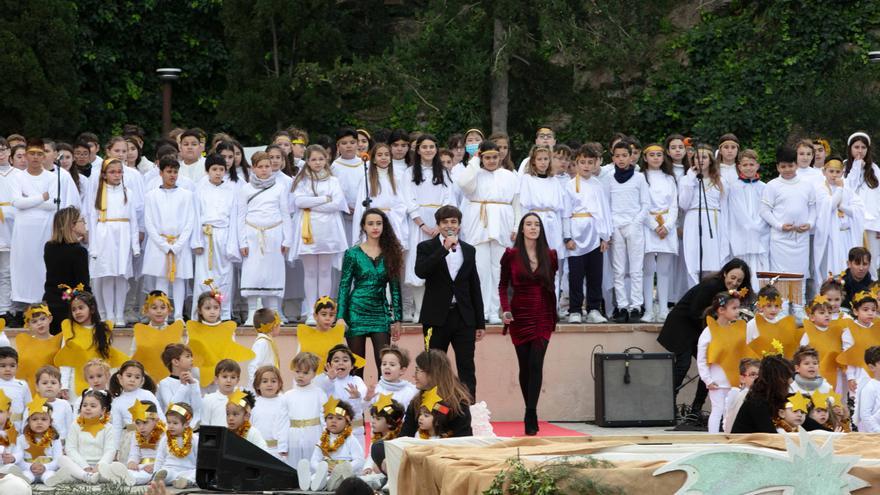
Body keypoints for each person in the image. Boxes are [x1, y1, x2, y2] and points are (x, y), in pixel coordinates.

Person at [658, 258, 752, 414]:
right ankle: (667, 404)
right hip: (682, 325)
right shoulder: (711, 286)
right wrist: (715, 329)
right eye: (732, 278)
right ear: (725, 274)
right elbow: (694, 311)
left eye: (739, 280)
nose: (735, 282)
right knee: (683, 363)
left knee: (710, 365)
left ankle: (696, 409)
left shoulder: (736, 294)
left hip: (700, 328)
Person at [414, 205, 485, 399]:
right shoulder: (426, 247)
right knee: (433, 366)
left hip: (463, 317)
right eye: (445, 222)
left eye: (453, 221)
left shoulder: (469, 250)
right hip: (436, 318)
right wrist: (443, 249)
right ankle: (431, 409)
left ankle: (468, 411)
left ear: (459, 225)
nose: (449, 225)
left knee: (466, 367)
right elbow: (421, 271)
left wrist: (480, 322)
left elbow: (474, 286)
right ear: (438, 225)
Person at [499, 213, 558, 435]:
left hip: (543, 313)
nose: (533, 228)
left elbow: (552, 285)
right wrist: (506, 309)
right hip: (520, 314)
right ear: (522, 229)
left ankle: (531, 411)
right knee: (525, 366)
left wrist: (554, 313)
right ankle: (528, 406)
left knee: (536, 363)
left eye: (536, 225)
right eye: (528, 224)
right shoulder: (511, 255)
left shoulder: (550, 255)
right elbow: (503, 285)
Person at [455, 140, 519, 324]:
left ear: (500, 157)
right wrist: (474, 161)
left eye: (494, 157)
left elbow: (516, 203)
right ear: (481, 157)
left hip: (502, 224)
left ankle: (494, 310)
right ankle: (481, 309)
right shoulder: (475, 173)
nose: (491, 161)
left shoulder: (509, 176)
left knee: (499, 270)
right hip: (479, 224)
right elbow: (463, 182)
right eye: (487, 157)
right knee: (480, 270)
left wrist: (515, 227)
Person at [12, 139, 78, 309]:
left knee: (44, 265)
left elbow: (54, 203)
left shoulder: (52, 177)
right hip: (24, 229)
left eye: (39, 154)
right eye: (32, 154)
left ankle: (44, 303)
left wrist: (29, 199)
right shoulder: (17, 176)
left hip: (46, 227)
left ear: (44, 157)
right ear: (26, 155)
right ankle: (25, 306)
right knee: (25, 265)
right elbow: (17, 202)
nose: (35, 157)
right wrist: (41, 196)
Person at [337, 208, 404, 376]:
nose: (375, 227)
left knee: (385, 365)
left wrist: (398, 319)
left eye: (379, 223)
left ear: (384, 226)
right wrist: (340, 316)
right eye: (371, 223)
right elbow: (344, 286)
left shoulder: (391, 253)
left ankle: (384, 402)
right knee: (356, 368)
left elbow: (395, 288)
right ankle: (356, 402)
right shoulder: (352, 253)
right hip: (355, 311)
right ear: (363, 227)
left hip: (380, 313)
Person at [289, 145, 347, 326]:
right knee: (311, 271)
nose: (317, 163)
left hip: (328, 231)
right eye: (313, 159)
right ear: (307, 160)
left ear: (326, 160)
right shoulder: (302, 180)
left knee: (324, 271)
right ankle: (311, 311)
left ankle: (325, 308)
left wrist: (312, 204)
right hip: (309, 229)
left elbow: (337, 203)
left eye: (321, 159)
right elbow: (299, 201)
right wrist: (324, 199)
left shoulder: (333, 181)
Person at [760, 145, 817, 322]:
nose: (787, 170)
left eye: (790, 166)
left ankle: (799, 307)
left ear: (796, 165)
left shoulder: (806, 185)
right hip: (780, 239)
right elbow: (764, 211)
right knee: (781, 273)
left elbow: (813, 208)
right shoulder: (773, 185)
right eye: (783, 166)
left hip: (800, 238)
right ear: (777, 167)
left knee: (800, 272)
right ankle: (782, 307)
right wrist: (779, 225)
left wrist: (809, 223)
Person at [237, 151, 293, 325]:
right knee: (253, 272)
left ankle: (274, 313)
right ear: (253, 168)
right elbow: (240, 216)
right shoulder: (245, 189)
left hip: (274, 234)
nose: (264, 170)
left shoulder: (280, 188)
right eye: (260, 167)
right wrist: (242, 241)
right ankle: (252, 312)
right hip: (252, 234)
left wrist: (287, 239)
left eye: (267, 166)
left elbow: (285, 214)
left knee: (273, 272)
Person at [86, 158, 140, 327]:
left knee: (121, 277)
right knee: (108, 274)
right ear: (104, 175)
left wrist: (135, 245)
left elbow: (133, 220)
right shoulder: (98, 194)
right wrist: (93, 246)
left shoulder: (128, 193)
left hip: (123, 236)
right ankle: (108, 313)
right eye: (112, 172)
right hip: (105, 235)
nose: (117, 175)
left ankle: (119, 313)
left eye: (119, 172)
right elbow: (92, 220)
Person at [564, 145, 611, 323]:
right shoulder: (569, 186)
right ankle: (575, 309)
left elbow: (604, 211)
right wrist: (567, 236)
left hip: (595, 233)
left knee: (595, 274)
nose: (586, 166)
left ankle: (593, 308)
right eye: (582, 162)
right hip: (576, 234)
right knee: (575, 273)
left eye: (590, 162)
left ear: (595, 164)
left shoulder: (598, 185)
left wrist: (605, 236)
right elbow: (566, 213)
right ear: (576, 163)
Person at [696, 289, 753, 433]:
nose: (737, 311)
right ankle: (713, 440)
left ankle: (729, 436)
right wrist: (707, 379)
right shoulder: (709, 332)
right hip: (717, 381)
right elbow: (702, 358)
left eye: (738, 307)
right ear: (721, 310)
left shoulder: (737, 329)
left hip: (734, 380)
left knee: (731, 411)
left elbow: (742, 353)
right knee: (718, 410)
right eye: (734, 308)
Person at [518, 146, 567, 310]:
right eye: (539, 159)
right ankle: (533, 303)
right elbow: (523, 206)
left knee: (553, 264)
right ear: (533, 161)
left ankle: (552, 305)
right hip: (535, 222)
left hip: (552, 224)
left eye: (546, 159)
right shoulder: (527, 179)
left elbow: (561, 209)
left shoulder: (555, 181)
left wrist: (563, 233)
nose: (543, 162)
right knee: (534, 262)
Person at [191, 153, 238, 321]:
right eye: (214, 169)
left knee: (225, 276)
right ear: (207, 171)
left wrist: (232, 244)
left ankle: (223, 313)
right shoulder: (199, 189)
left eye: (221, 169)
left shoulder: (232, 190)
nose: (218, 173)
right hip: (206, 235)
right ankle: (200, 313)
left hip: (224, 235)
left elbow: (234, 218)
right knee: (204, 276)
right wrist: (196, 240)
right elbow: (195, 216)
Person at [679, 143, 728, 286]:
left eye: (704, 157)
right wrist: (691, 180)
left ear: (711, 160)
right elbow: (683, 204)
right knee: (693, 259)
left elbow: (724, 206)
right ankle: (694, 295)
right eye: (697, 157)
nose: (701, 160)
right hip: (693, 220)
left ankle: (711, 296)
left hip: (714, 220)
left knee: (712, 260)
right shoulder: (686, 180)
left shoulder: (720, 181)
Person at [813, 156, 864, 291]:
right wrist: (840, 190)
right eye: (831, 171)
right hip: (831, 237)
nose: (834, 175)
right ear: (824, 172)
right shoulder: (820, 189)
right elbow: (829, 205)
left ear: (842, 173)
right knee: (833, 267)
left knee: (848, 266)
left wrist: (844, 208)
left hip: (847, 236)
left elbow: (858, 209)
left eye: (837, 172)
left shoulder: (847, 188)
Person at [640, 143, 678, 322]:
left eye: (659, 155)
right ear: (645, 157)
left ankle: (663, 309)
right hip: (648, 227)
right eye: (652, 155)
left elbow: (674, 205)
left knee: (664, 270)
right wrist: (654, 226)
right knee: (647, 270)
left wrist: (668, 226)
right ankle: (648, 309)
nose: (656, 158)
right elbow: (640, 205)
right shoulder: (640, 177)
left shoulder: (669, 179)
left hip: (666, 227)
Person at [47, 389, 115, 486]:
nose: (88, 408)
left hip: (101, 467)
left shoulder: (108, 428)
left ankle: (76, 477)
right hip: (80, 466)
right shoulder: (75, 425)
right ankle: (85, 476)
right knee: (62, 459)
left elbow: (110, 450)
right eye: (84, 405)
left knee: (114, 466)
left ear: (103, 410)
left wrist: (99, 466)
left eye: (93, 406)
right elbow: (70, 448)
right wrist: (84, 466)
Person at [297, 397, 364, 492]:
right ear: (325, 420)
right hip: (325, 472)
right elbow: (314, 460)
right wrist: (323, 469)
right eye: (330, 417)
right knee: (317, 478)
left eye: (339, 418)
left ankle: (316, 485)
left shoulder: (351, 439)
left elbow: (359, 460)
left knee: (338, 483)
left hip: (343, 474)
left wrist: (344, 468)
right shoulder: (322, 440)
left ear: (347, 422)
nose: (333, 421)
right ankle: (308, 482)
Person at [42, 207, 90, 335]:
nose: (84, 223)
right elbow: (82, 285)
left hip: (50, 301)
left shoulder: (49, 247)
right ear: (72, 225)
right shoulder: (78, 251)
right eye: (82, 221)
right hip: (70, 307)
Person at [727, 149, 768, 290]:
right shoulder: (734, 187)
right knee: (742, 266)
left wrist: (759, 226)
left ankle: (759, 296)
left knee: (760, 266)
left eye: (751, 164)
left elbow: (766, 209)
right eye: (745, 165)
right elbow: (738, 212)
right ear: (739, 167)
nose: (748, 168)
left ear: (757, 165)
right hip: (742, 234)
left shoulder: (764, 187)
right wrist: (752, 226)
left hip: (761, 235)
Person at [843, 132, 880, 273]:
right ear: (850, 149)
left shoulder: (875, 170)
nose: (860, 150)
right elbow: (847, 189)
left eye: (863, 147)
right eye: (856, 147)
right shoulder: (843, 167)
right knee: (852, 259)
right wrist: (857, 167)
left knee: (871, 261)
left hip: (871, 224)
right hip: (850, 223)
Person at [283, 352, 326, 470]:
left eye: (305, 372)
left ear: (314, 374)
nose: (300, 376)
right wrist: (283, 445)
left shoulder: (319, 393)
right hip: (293, 437)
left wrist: (326, 441)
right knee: (294, 468)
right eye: (297, 372)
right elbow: (284, 421)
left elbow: (324, 418)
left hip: (314, 435)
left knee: (313, 466)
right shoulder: (287, 396)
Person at [731, 355, 795, 434]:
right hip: (744, 444)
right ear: (776, 379)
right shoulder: (756, 401)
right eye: (787, 377)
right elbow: (770, 434)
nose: (791, 381)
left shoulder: (775, 397)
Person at [131, 291, 184, 382]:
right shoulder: (141, 333)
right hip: (147, 381)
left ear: (168, 310)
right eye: (154, 308)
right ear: (146, 311)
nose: (159, 311)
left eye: (163, 307)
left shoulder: (174, 332)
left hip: (172, 381)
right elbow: (133, 357)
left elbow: (182, 357)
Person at [800, 294, 845, 395]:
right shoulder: (808, 333)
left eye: (829, 312)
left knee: (835, 401)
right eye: (822, 312)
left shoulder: (836, 331)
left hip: (835, 374)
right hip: (816, 376)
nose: (827, 315)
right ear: (812, 317)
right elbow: (802, 355)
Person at [14, 305, 62, 396]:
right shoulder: (24, 342)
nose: (39, 323)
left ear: (50, 319)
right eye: (34, 321)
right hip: (28, 390)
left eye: (43, 319)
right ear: (28, 324)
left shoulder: (59, 341)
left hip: (50, 391)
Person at [745, 285, 800, 359]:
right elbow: (746, 347)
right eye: (769, 306)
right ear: (760, 306)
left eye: (776, 306)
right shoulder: (752, 324)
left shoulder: (781, 322)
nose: (773, 310)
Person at [152, 402, 197, 489]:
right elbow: (160, 458)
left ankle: (185, 482)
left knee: (196, 473)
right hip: (170, 470)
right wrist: (155, 474)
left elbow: (200, 460)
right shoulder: (165, 439)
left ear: (186, 424)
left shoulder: (194, 439)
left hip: (187, 471)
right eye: (168, 422)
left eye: (175, 423)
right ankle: (162, 479)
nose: (170, 426)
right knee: (165, 472)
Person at [155, 344, 201, 426]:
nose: (191, 359)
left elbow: (197, 408)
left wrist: (194, 385)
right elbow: (172, 407)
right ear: (176, 362)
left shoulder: (194, 382)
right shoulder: (164, 383)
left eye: (191, 356)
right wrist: (183, 385)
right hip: (172, 428)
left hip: (191, 427)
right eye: (187, 356)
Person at [251, 366, 287, 458]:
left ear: (279, 384)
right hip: (257, 448)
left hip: (278, 451)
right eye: (265, 381)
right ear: (257, 385)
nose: (269, 384)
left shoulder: (284, 402)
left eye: (273, 381)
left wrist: (284, 447)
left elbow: (286, 426)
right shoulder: (253, 403)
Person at [841, 247, 873, 312]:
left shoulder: (874, 288)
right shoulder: (837, 285)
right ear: (849, 264)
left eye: (865, 264)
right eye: (857, 264)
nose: (861, 268)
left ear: (869, 265)